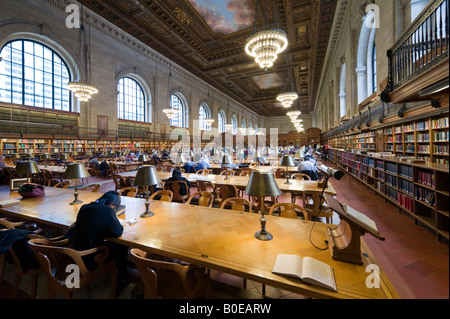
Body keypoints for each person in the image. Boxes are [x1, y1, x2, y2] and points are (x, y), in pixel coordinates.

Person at [65, 191, 130, 293]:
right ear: (113, 205)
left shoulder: (85, 207)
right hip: (90, 258)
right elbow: (118, 232)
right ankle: (121, 281)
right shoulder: (108, 210)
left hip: (76, 253)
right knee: (122, 245)